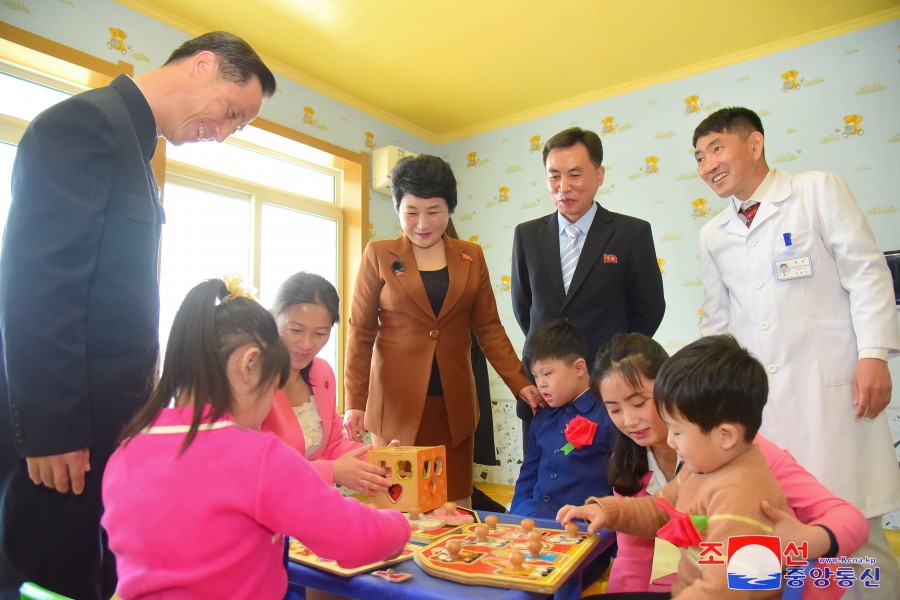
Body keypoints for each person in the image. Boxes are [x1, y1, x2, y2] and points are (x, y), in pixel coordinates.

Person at [0, 32, 276, 599]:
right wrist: (52, 431)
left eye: (238, 128)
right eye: (231, 113)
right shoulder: (84, 127)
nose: (222, 133)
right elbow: (39, 286)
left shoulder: (136, 148)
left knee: (96, 576)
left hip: (106, 427)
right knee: (53, 575)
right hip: (66, 432)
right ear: (203, 65)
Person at [694, 106, 900, 597]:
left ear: (755, 144)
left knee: (855, 525)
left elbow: (867, 274)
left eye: (717, 148)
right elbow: (716, 324)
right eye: (699, 157)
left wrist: (873, 353)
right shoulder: (712, 234)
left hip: (830, 395)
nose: (707, 166)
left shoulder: (816, 190)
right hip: (762, 411)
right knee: (773, 531)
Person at [101, 278, 410, 600]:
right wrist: (400, 526)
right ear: (249, 365)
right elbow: (356, 539)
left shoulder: (125, 452)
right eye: (271, 386)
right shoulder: (257, 456)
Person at [587, 332, 868, 597]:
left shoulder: (742, 456)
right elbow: (634, 557)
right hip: (709, 576)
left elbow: (850, 520)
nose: (628, 420)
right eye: (614, 409)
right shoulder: (630, 463)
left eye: (638, 403)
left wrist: (807, 539)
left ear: (670, 391)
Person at [343, 154, 540, 505]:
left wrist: (520, 382)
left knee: (454, 504)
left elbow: (489, 328)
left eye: (434, 211)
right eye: (411, 212)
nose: (422, 223)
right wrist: (354, 402)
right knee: (400, 504)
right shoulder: (378, 254)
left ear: (450, 209)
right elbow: (360, 331)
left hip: (454, 405)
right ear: (397, 208)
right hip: (396, 405)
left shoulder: (471, 256)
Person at [560, 335, 793, 599]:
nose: (670, 441)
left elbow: (728, 588)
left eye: (677, 431)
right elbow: (658, 510)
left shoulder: (740, 493)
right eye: (614, 409)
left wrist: (817, 537)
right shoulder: (699, 467)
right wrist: (605, 510)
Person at [511, 127, 666, 453]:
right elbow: (524, 308)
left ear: (599, 175)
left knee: (609, 481)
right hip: (546, 391)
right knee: (543, 478)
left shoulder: (631, 233)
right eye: (554, 176)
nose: (563, 187)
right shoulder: (527, 235)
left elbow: (649, 308)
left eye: (575, 175)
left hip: (607, 388)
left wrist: (613, 365)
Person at [261, 271, 391, 496]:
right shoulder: (252, 380)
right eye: (295, 330)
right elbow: (254, 467)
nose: (306, 344)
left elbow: (332, 444)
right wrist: (331, 471)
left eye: (320, 333)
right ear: (273, 318)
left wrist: (382, 459)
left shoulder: (321, 374)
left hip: (313, 505)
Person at [510, 319, 615, 518]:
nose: (541, 384)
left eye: (547, 373)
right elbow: (529, 473)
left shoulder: (608, 413)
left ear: (579, 368)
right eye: (535, 375)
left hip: (583, 524)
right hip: (536, 517)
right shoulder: (542, 415)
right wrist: (516, 515)